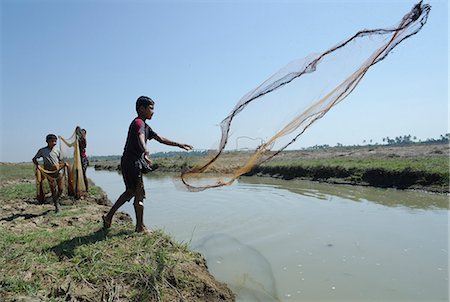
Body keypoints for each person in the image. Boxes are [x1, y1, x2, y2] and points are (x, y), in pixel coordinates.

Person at [102, 96, 193, 233]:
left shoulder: (145, 125)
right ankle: (139, 227)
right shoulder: (138, 123)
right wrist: (145, 150)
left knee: (131, 192)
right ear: (141, 109)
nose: (153, 111)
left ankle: (110, 217)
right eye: (151, 108)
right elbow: (140, 137)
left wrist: (179, 144)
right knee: (137, 193)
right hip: (131, 162)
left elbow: (160, 138)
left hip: (133, 161)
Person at [32, 134, 65, 213]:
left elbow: (60, 160)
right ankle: (57, 206)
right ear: (47, 142)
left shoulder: (57, 150)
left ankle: (55, 199)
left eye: (55, 141)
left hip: (58, 172)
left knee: (61, 189)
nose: (54, 143)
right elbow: (34, 159)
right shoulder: (42, 150)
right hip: (49, 173)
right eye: (52, 141)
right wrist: (38, 166)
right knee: (53, 189)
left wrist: (63, 164)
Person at [77, 127, 89, 192]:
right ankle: (79, 188)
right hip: (78, 159)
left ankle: (86, 189)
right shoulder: (77, 140)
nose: (82, 134)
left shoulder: (83, 140)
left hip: (83, 159)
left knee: (83, 174)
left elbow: (84, 146)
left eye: (83, 133)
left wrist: (82, 137)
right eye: (81, 133)